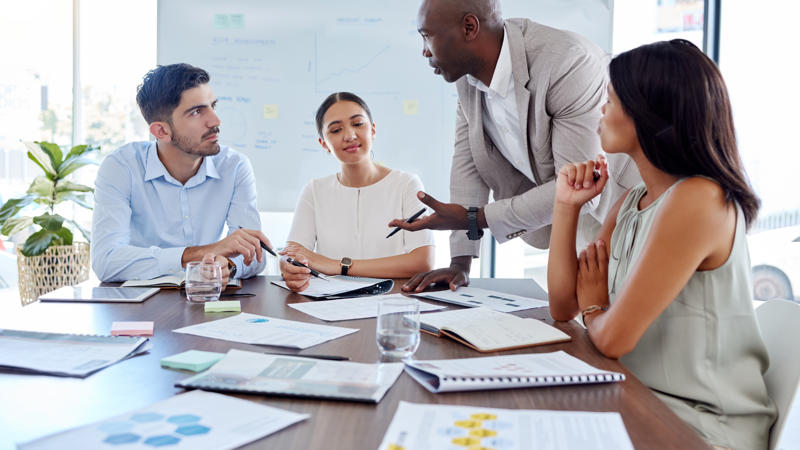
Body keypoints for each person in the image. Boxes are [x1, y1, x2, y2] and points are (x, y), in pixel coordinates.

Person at [547, 40, 776, 449]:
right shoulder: (632, 201)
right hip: (636, 399)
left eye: (611, 100)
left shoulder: (698, 199)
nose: (601, 111)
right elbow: (564, 306)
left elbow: (612, 338)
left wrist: (597, 306)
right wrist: (566, 205)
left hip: (699, 426)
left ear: (649, 117)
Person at [391, 0, 639, 292]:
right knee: (585, 317)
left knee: (624, 325)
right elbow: (467, 164)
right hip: (572, 220)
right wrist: (459, 263)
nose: (424, 50)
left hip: (628, 209)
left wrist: (477, 218)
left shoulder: (567, 62)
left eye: (426, 35)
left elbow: (579, 185)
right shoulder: (467, 78)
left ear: (469, 27)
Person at [91, 63, 271, 286]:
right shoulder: (121, 167)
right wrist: (200, 254)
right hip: (140, 308)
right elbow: (106, 261)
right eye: (196, 112)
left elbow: (254, 254)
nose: (215, 121)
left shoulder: (234, 166)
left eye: (213, 106)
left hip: (210, 300)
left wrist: (227, 266)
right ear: (161, 131)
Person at [280, 92, 435, 292]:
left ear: (373, 129)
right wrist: (289, 266)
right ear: (323, 143)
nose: (350, 136)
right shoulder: (314, 190)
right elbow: (292, 253)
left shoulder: (406, 184)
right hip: (329, 305)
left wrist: (337, 265)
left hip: (391, 301)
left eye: (358, 124)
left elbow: (423, 261)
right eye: (336, 130)